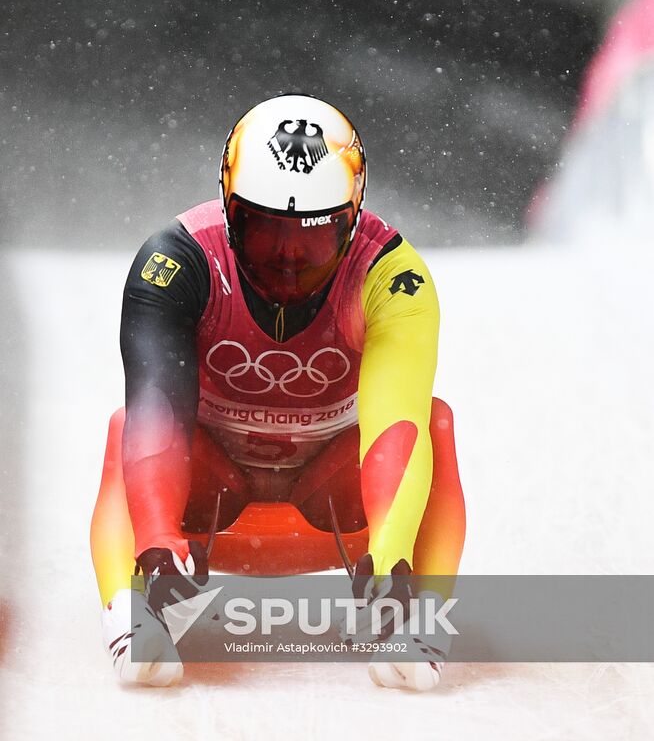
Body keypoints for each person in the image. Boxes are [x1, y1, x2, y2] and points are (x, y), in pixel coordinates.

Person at [90, 93, 466, 690]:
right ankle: (132, 616)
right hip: (210, 484)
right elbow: (156, 409)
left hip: (334, 492)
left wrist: (392, 553)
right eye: (265, 230)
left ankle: (421, 621)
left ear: (351, 218)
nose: (289, 256)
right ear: (229, 210)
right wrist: (160, 536)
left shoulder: (394, 277)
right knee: (124, 426)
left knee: (435, 422)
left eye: (314, 235)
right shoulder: (176, 261)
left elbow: (399, 419)